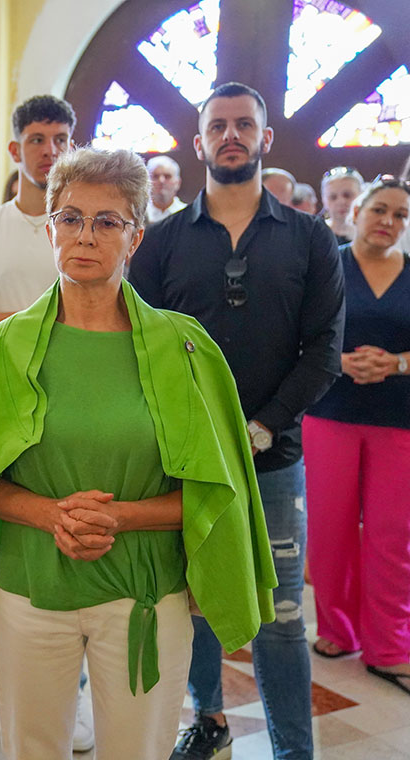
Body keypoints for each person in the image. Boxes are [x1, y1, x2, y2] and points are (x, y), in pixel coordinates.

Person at [0, 147, 275, 759]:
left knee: (140, 749)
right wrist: (52, 515)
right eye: (71, 218)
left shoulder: (184, 348)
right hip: (32, 586)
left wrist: (119, 517)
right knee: (31, 749)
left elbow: (219, 491)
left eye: (108, 221)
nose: (86, 236)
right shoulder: (5, 347)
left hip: (143, 592)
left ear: (136, 237)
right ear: (50, 229)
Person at [129, 82, 345, 760]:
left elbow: (325, 352)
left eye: (244, 124)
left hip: (272, 458)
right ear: (198, 143)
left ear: (265, 138)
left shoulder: (310, 238)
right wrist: (187, 433)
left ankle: (293, 750)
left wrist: (262, 427)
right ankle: (209, 720)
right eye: (217, 125)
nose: (231, 135)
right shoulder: (162, 242)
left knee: (281, 618)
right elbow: (141, 348)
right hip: (184, 458)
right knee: (192, 604)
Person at [0, 94, 94, 745]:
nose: (49, 151)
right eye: (37, 139)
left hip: (78, 403)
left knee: (73, 529)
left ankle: (76, 689)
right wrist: (54, 321)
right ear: (16, 149)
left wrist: (0, 319)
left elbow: (102, 315)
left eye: (60, 138)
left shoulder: (87, 229)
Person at [303, 175, 410, 697]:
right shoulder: (328, 267)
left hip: (399, 421)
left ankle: (389, 645)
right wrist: (339, 362)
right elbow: (298, 335)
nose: (388, 221)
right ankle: (337, 629)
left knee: (393, 535)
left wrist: (399, 363)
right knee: (330, 530)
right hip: (331, 414)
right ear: (357, 211)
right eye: (380, 209)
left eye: (400, 214)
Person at [321, 166, 364, 245]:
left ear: (361, 196)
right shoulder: (315, 235)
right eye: (333, 197)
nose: (341, 202)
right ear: (324, 201)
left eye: (347, 195)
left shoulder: (372, 235)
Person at [146, 155, 186, 222]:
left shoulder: (186, 214)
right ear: (146, 183)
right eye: (155, 176)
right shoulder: (136, 215)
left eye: (167, 176)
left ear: (178, 183)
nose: (161, 181)